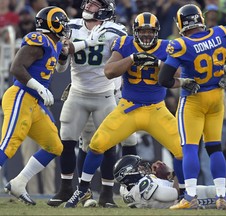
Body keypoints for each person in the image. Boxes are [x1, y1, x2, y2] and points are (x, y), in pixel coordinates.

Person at [63, 11, 185, 208]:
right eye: (143, 32)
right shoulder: (125, 44)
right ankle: (82, 189)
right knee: (97, 144)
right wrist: (133, 58)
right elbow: (109, 71)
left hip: (156, 109)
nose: (146, 35)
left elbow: (180, 74)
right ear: (135, 32)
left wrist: (159, 63)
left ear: (157, 32)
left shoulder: (166, 47)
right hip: (128, 108)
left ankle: (185, 195)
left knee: (182, 149)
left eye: (150, 32)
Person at [158, 4, 226, 210]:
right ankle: (222, 197)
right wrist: (225, 70)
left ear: (182, 23)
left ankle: (190, 196)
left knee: (190, 147)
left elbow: (163, 79)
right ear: (200, 19)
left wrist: (183, 82)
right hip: (217, 97)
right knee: (214, 147)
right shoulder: (221, 33)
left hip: (193, 98)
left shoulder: (181, 44)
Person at [46, 0, 129, 208]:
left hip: (105, 95)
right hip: (78, 93)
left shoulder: (116, 31)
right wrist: (63, 55)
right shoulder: (71, 27)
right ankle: (66, 189)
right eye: (89, 2)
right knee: (66, 140)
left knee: (108, 144)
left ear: (105, 8)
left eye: (95, 3)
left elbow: (122, 63)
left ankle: (107, 193)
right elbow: (61, 70)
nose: (89, 5)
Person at [0, 6, 70, 205]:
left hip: (35, 103)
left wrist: (64, 54)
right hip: (21, 96)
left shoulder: (54, 43)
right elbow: (16, 68)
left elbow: (60, 67)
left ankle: (19, 182)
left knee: (54, 146)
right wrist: (39, 88)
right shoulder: (38, 40)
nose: (64, 27)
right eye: (62, 22)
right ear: (52, 23)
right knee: (9, 144)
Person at [114, 155, 226, 210]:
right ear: (129, 173)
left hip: (178, 200)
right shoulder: (145, 187)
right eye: (138, 168)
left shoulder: (126, 189)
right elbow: (176, 194)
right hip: (185, 201)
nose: (143, 169)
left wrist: (162, 177)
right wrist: (174, 173)